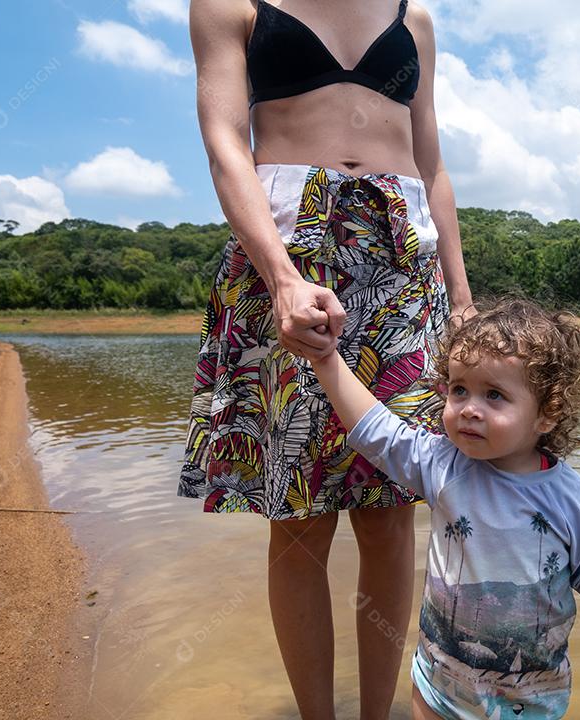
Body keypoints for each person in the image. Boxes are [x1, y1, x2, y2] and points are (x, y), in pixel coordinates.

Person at [180, 1, 473, 718]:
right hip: (287, 251)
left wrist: (462, 298)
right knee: (300, 514)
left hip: (403, 267)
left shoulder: (417, 18)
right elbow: (223, 137)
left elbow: (431, 161)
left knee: (392, 509)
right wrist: (281, 277)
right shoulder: (230, 4)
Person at [308, 297, 580, 719]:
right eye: (459, 390)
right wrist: (326, 358)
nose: (470, 409)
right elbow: (378, 432)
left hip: (531, 697)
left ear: (547, 413)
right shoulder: (442, 464)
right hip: (439, 683)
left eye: (494, 395)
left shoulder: (565, 493)